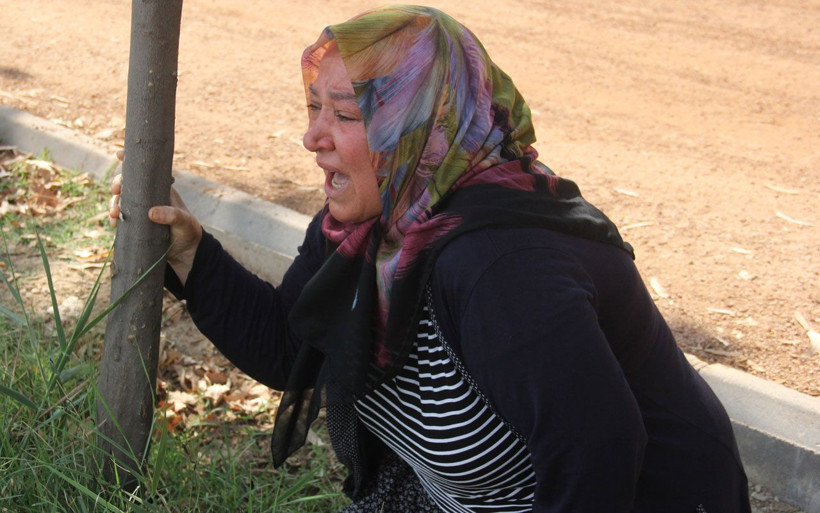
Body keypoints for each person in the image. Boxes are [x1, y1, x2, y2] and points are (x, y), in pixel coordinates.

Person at [109, 5, 752, 512]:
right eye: (313, 108)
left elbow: (599, 454)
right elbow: (288, 346)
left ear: (420, 125)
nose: (312, 137)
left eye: (345, 115)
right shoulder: (370, 231)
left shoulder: (501, 264)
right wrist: (192, 256)